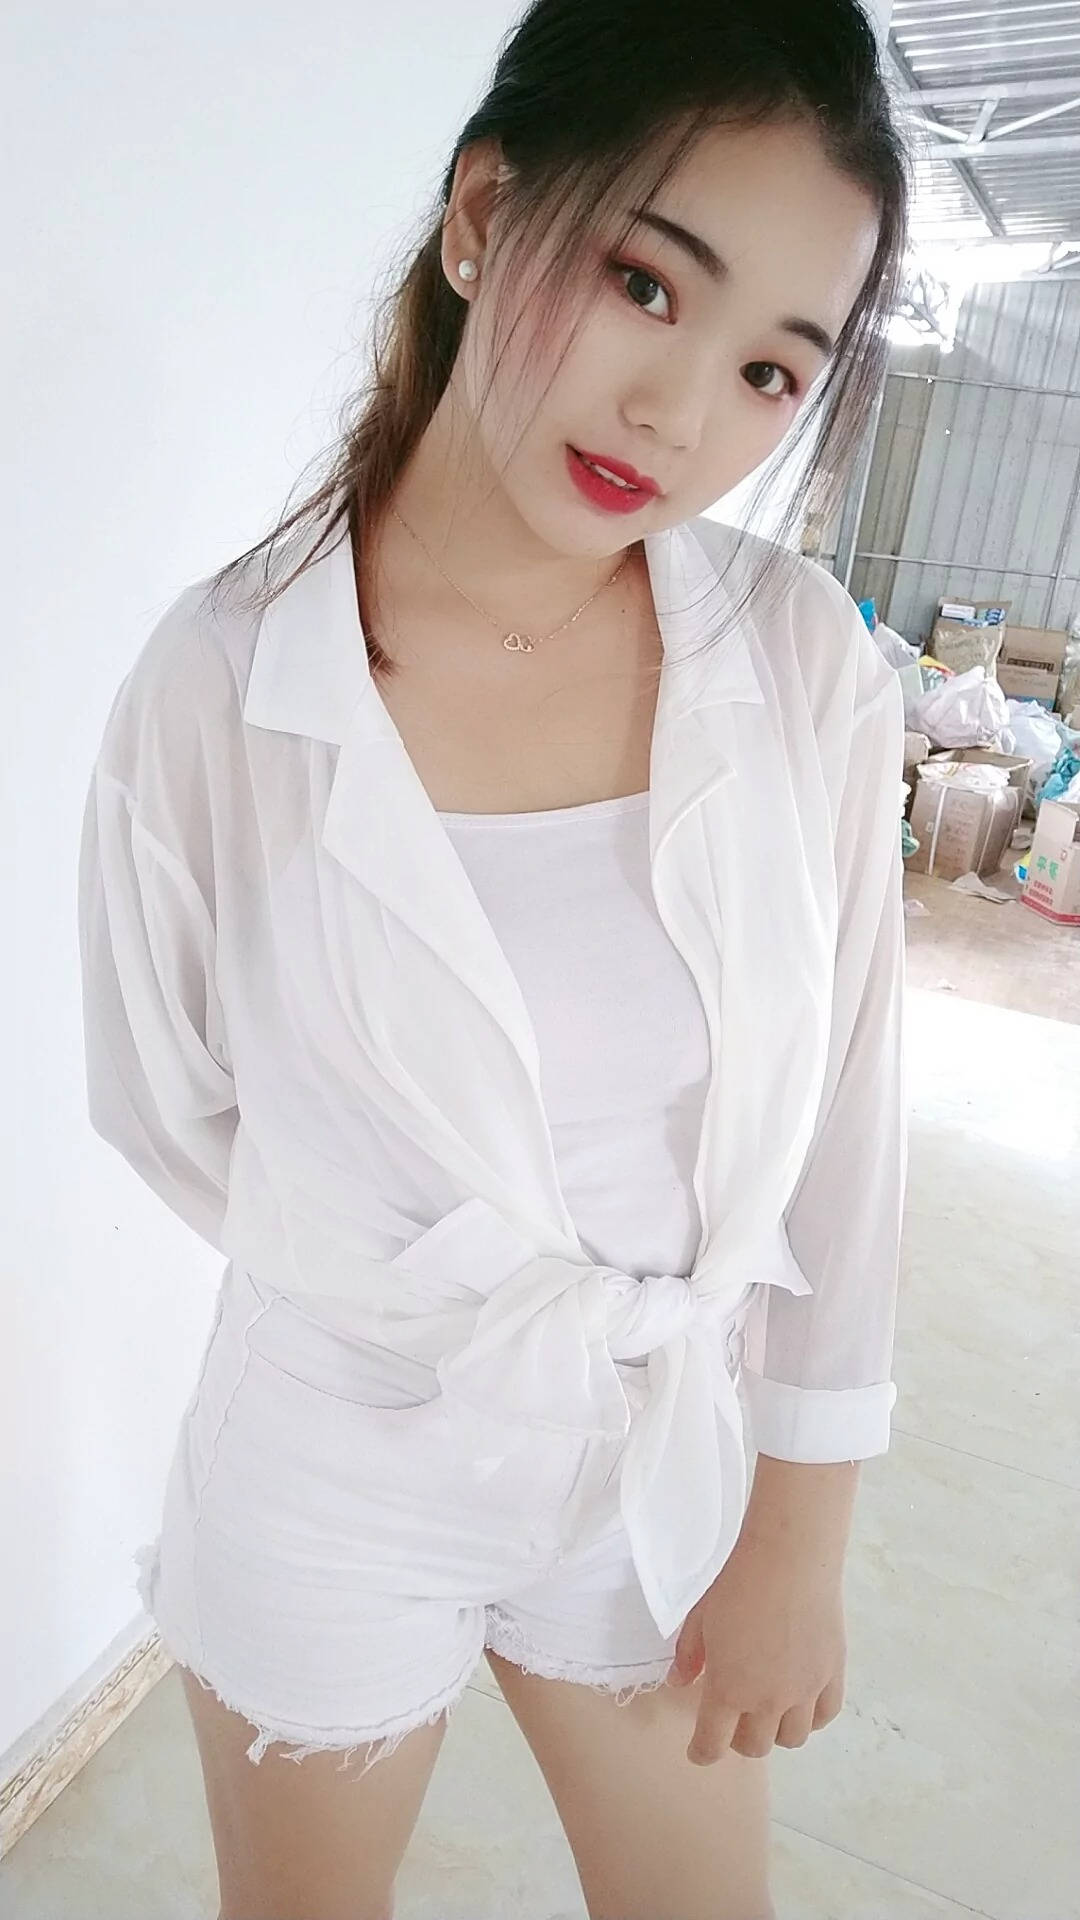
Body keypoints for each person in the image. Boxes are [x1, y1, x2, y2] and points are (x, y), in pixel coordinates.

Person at [76, 1, 912, 1915]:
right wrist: (411, 1290)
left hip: (655, 1452)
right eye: (644, 282)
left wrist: (801, 1529)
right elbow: (165, 1094)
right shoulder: (223, 679)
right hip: (334, 1447)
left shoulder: (800, 665)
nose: (679, 414)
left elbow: (850, 1123)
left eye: (770, 370)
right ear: (480, 216)